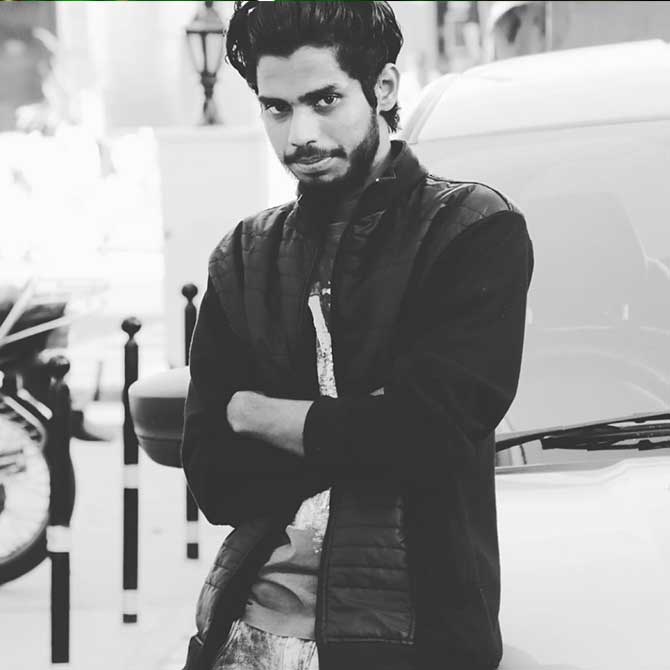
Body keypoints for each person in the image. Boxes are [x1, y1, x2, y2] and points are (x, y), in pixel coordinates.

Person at [181, 2, 534, 669]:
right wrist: (367, 427)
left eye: (325, 100)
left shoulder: (470, 231)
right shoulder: (245, 256)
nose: (300, 135)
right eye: (277, 108)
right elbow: (214, 478)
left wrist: (254, 412)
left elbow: (431, 434)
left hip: (411, 640)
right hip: (246, 638)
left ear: (384, 87)